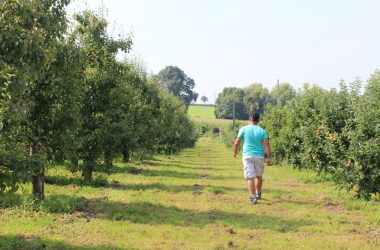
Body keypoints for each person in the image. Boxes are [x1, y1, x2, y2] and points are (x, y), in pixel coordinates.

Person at [233, 112, 272, 204]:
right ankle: (258, 193)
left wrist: (235, 152)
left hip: (247, 155)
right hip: (259, 156)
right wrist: (269, 157)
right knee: (258, 176)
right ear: (258, 120)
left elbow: (236, 143)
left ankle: (253, 197)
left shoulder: (243, 129)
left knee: (250, 177)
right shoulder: (262, 131)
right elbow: (267, 145)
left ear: (249, 119)